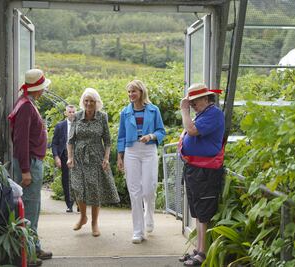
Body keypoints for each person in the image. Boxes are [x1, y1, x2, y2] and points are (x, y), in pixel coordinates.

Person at [8, 69, 53, 265]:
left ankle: (33, 247)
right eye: (42, 88)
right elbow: (21, 140)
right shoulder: (26, 107)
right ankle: (29, 253)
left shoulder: (26, 103)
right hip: (30, 163)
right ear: (37, 89)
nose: (44, 91)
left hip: (32, 162)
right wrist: (25, 170)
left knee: (32, 206)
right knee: (30, 207)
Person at [178, 83, 225, 266]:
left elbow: (192, 130)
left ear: (206, 99)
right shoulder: (203, 114)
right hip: (196, 169)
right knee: (197, 211)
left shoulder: (213, 114)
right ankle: (198, 249)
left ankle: (202, 253)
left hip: (205, 171)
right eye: (190, 103)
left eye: (195, 102)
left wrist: (184, 111)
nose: (192, 106)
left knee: (203, 211)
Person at [116, 80, 166, 244]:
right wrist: (120, 157)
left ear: (141, 92)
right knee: (135, 192)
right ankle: (138, 231)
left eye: (133, 91)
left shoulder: (154, 110)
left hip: (149, 150)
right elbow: (121, 136)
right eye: (129, 92)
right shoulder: (125, 112)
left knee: (148, 189)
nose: (131, 95)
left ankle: (149, 216)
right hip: (131, 151)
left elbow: (161, 132)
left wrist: (151, 136)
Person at [67, 87, 120, 237]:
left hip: (96, 156)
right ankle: (83, 216)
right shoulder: (76, 116)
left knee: (95, 189)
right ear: (83, 102)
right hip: (79, 157)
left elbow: (108, 141)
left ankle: (94, 223)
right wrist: (70, 157)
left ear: (97, 103)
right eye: (86, 101)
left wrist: (106, 158)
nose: (89, 103)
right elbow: (70, 140)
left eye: (92, 101)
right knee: (78, 187)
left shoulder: (102, 117)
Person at [52, 105, 76, 213]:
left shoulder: (80, 125)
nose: (71, 114)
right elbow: (54, 143)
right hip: (64, 155)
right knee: (66, 180)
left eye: (73, 112)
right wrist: (56, 157)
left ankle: (80, 203)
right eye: (69, 112)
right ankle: (69, 204)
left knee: (78, 179)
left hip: (77, 156)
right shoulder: (60, 126)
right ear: (66, 113)